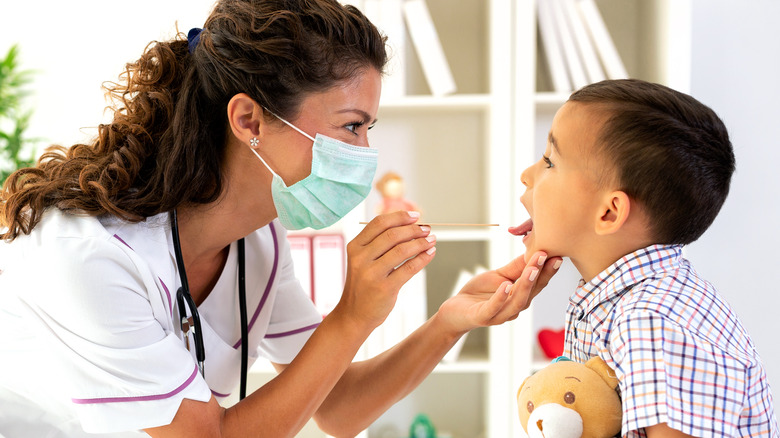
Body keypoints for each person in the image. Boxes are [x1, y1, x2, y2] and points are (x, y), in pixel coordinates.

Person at [0, 1, 563, 437]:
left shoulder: (258, 241)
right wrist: (353, 314)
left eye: (370, 129)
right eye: (351, 127)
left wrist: (451, 320)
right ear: (249, 120)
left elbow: (338, 407)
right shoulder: (88, 252)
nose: (366, 154)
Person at [511, 78, 778, 437]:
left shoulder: (652, 320)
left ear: (608, 213)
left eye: (550, 161)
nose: (526, 175)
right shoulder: (615, 302)